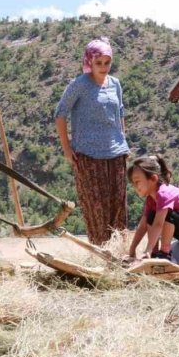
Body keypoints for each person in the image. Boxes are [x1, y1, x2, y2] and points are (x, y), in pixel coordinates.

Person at [54, 38, 130, 245]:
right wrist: (67, 149)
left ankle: (119, 252)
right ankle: (101, 252)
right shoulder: (79, 85)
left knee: (118, 206)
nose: (104, 67)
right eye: (99, 63)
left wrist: (123, 139)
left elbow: (119, 112)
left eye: (107, 62)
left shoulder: (115, 84)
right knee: (96, 206)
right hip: (88, 155)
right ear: (90, 62)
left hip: (116, 153)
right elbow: (60, 114)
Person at [125, 155, 179, 260]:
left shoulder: (164, 193)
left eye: (137, 182)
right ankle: (153, 253)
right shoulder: (150, 199)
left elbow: (158, 224)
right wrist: (132, 250)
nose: (135, 187)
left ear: (153, 178)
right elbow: (142, 226)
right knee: (151, 216)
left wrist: (147, 249)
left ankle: (165, 253)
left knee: (166, 215)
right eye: (133, 183)